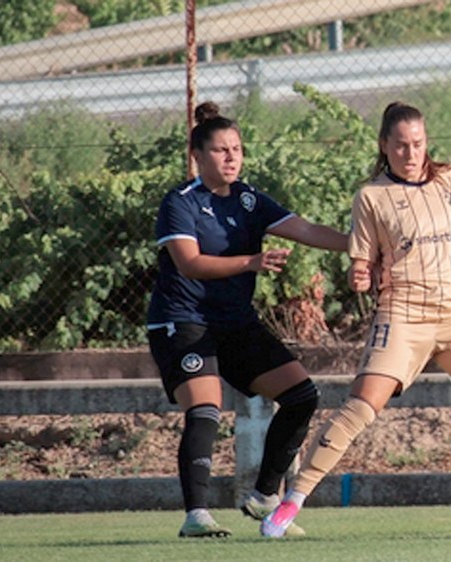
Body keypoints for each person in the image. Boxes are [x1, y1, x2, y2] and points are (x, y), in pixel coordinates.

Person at [261, 101, 451, 538]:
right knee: (363, 405)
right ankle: (291, 502)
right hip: (403, 315)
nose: (411, 153)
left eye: (417, 144)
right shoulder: (372, 197)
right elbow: (358, 265)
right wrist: (358, 274)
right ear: (384, 146)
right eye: (401, 145)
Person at [147, 101, 349, 538]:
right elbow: (191, 263)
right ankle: (196, 515)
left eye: (236, 148)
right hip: (184, 321)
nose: (231, 157)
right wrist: (251, 262)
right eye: (221, 150)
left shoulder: (249, 199)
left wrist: (362, 243)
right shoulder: (181, 202)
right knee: (205, 409)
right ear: (198, 157)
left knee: (301, 396)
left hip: (235, 323)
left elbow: (310, 231)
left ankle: (263, 498)